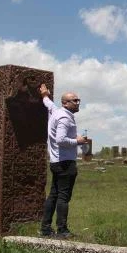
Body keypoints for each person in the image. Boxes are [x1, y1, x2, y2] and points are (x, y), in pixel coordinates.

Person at [39, 83, 88, 239]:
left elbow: (49, 104)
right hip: (65, 162)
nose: (77, 103)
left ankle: (45, 229)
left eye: (78, 100)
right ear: (65, 103)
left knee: (53, 195)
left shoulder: (57, 112)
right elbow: (60, 140)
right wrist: (77, 141)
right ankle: (62, 230)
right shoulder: (64, 118)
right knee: (63, 197)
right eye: (74, 100)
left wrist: (45, 95)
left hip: (56, 161)